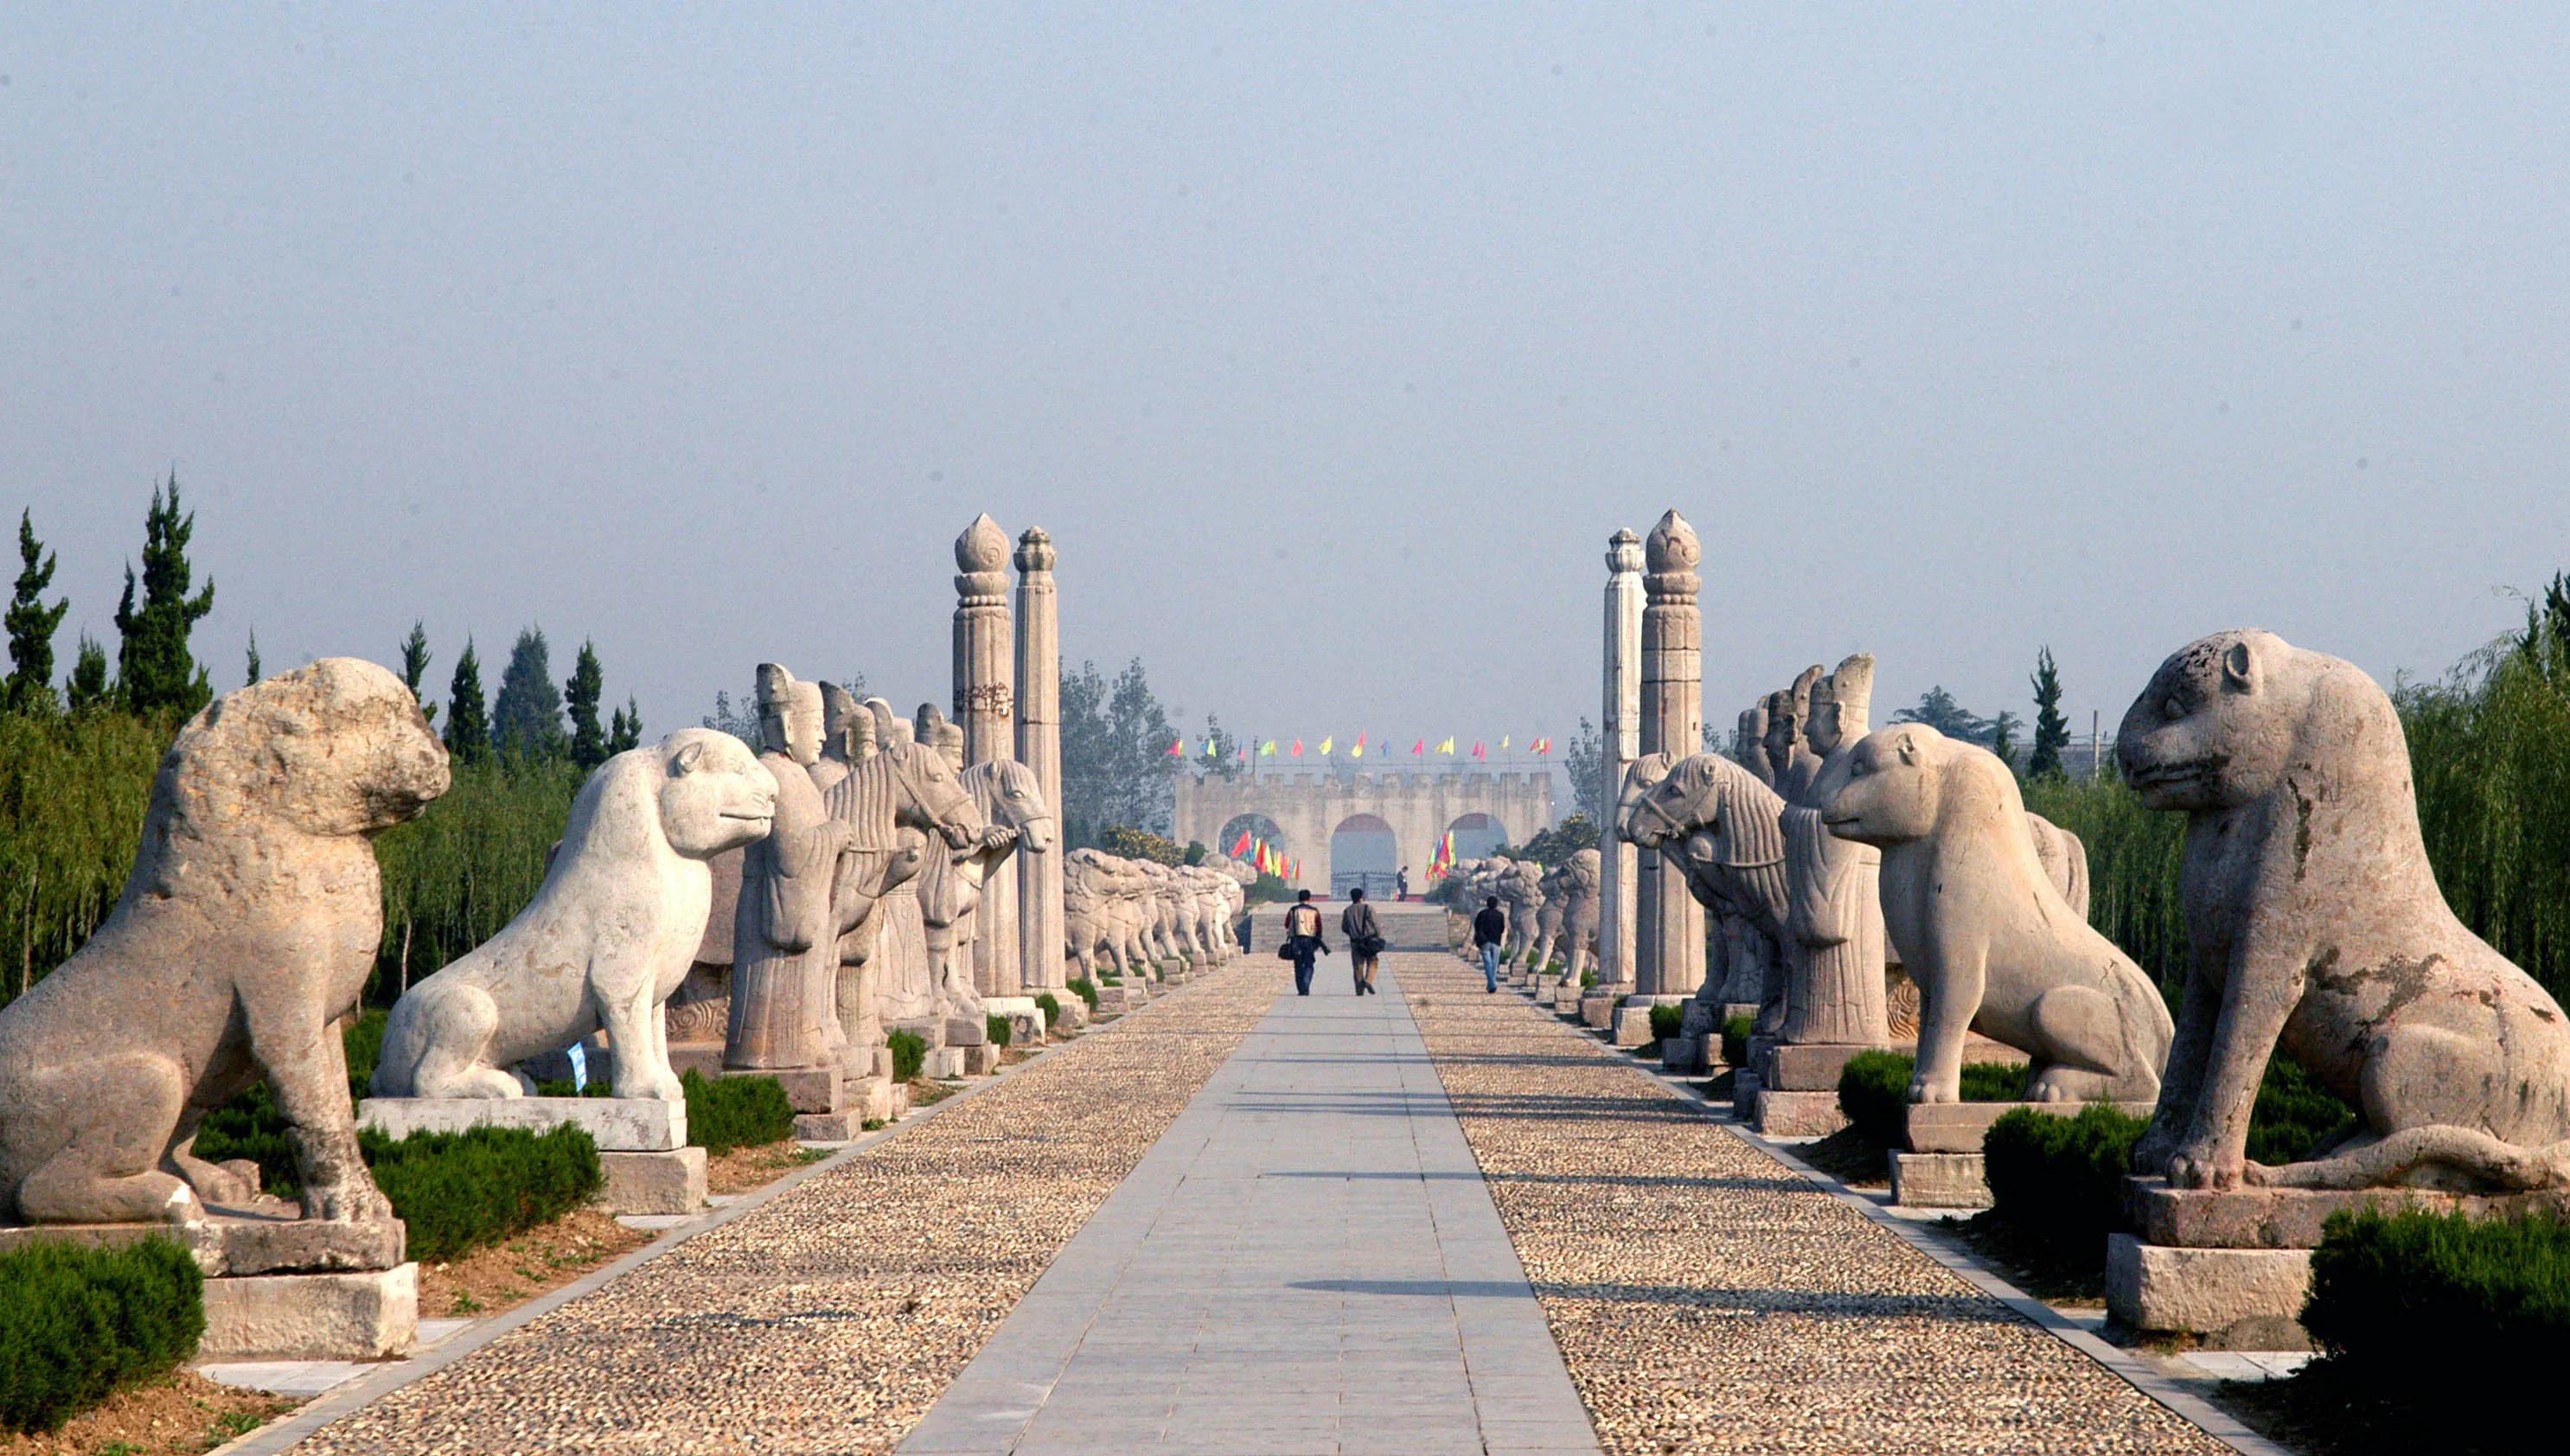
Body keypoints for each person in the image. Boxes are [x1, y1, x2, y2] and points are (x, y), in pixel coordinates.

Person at [1284, 889, 1330, 997]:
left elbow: (1286, 924)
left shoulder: (1293, 910)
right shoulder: (1314, 911)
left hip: (1295, 940)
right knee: (1309, 964)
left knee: (1298, 964)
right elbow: (1319, 927)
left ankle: (1301, 989)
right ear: (1309, 899)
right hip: (1309, 940)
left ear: (1299, 898)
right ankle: (1306, 985)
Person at [1341, 887, 1384, 996]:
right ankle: (1368, 981)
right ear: (1362, 897)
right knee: (1373, 962)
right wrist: (1378, 936)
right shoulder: (1368, 908)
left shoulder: (1347, 911)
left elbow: (1344, 927)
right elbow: (1376, 924)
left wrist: (1352, 933)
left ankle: (1359, 990)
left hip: (1355, 942)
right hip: (1369, 940)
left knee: (1358, 966)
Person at [1473, 895, 1507, 993]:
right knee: (1494, 965)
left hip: (1484, 942)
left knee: (1488, 964)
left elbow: (1477, 926)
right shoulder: (1500, 915)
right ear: (1496, 904)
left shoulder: (1481, 914)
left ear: (1487, 903)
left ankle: (1491, 984)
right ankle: (1492, 983)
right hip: (1496, 941)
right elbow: (1502, 928)